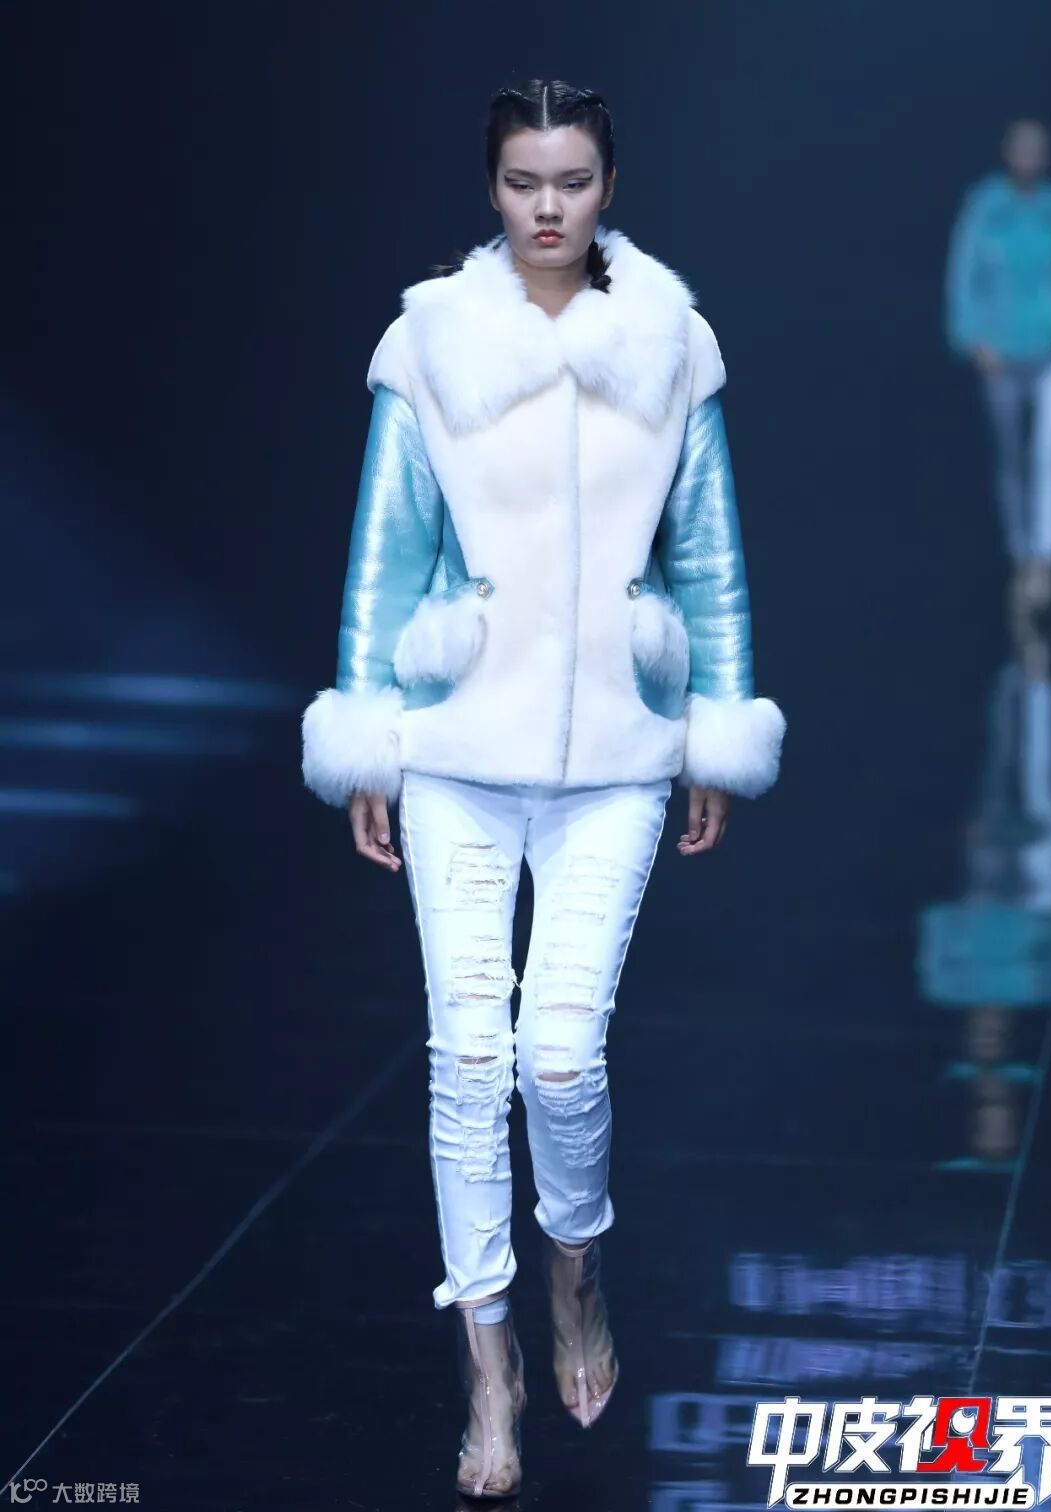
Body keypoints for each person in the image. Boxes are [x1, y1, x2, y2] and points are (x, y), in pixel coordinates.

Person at [300, 78, 786, 1500]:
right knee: (467, 1059)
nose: (549, 207)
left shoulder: (671, 344)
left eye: (572, 179)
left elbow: (710, 552)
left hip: (618, 757)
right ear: (493, 188)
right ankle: (488, 1367)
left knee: (559, 1057)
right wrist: (368, 739)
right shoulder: (431, 343)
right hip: (456, 746)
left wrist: (713, 737)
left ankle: (577, 1272)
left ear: (609, 185)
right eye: (524, 181)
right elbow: (385, 548)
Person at [945, 119, 1051, 632]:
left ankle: (1045, 559)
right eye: (1021, 148)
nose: (1029, 157)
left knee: (1050, 449)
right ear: (1006, 153)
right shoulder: (985, 208)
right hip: (1001, 354)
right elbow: (963, 277)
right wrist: (972, 337)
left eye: (1036, 149)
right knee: (1013, 456)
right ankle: (1021, 553)